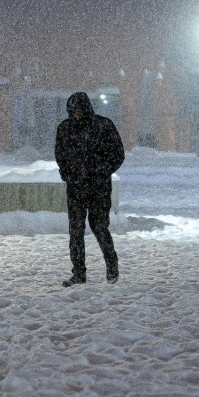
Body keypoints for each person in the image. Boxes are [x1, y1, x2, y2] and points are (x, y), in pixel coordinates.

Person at [54, 92, 126, 286]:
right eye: (72, 112)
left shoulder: (103, 126)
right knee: (76, 231)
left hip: (98, 188)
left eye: (78, 111)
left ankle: (112, 265)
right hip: (76, 188)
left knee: (99, 227)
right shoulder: (65, 128)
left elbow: (118, 154)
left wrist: (101, 171)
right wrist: (67, 173)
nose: (75, 115)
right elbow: (60, 155)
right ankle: (79, 273)